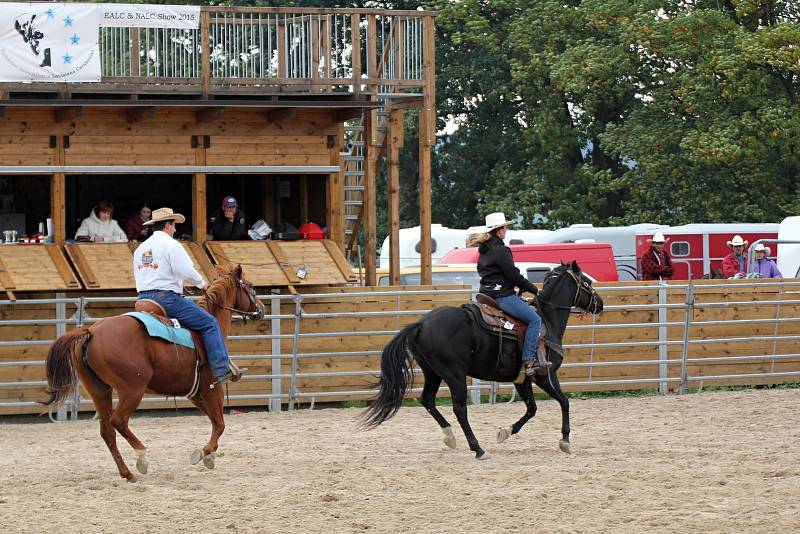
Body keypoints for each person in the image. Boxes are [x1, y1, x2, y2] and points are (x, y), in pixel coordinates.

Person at [133, 207, 243, 386]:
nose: (175, 229)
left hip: (142, 300)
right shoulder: (171, 245)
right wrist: (203, 284)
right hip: (166, 299)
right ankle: (221, 369)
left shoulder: (141, 249)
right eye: (174, 225)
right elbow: (185, 271)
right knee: (210, 323)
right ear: (168, 226)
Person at [470, 212, 544, 376]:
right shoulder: (501, 250)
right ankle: (529, 359)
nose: (506, 230)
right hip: (502, 296)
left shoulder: (484, 251)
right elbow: (513, 275)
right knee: (534, 320)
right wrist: (534, 289)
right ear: (499, 230)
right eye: (505, 227)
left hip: (486, 294)